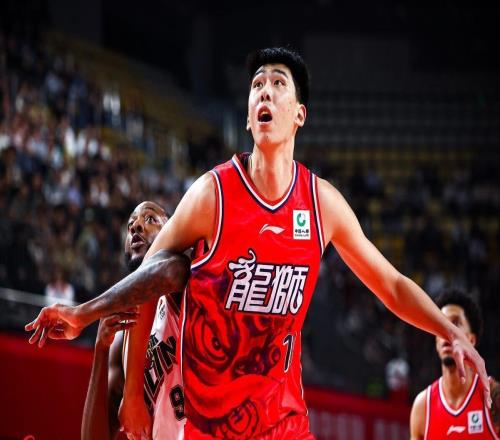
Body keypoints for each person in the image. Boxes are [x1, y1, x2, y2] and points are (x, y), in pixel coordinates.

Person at [26, 47, 491, 440]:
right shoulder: (212, 194)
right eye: (257, 86)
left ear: (299, 114)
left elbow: (391, 284)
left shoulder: (321, 203)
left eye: (278, 84)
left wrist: (449, 332)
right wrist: (131, 393)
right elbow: (150, 275)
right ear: (249, 118)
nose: (265, 91)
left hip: (282, 422)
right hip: (208, 425)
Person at [80, 201, 186, 440]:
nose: (136, 227)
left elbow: (159, 272)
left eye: (150, 219)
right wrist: (101, 349)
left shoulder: (185, 277)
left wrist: (83, 312)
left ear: (173, 228)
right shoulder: (123, 335)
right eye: (130, 226)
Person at [410, 289, 499, 439]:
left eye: (455, 323)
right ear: (436, 341)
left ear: (471, 340)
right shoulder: (422, 407)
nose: (446, 332)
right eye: (441, 325)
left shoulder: (494, 397)